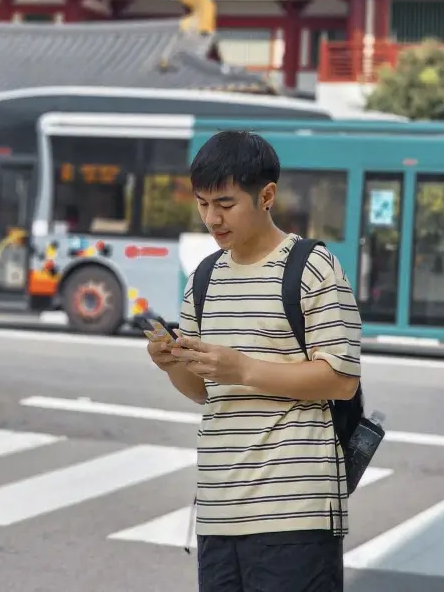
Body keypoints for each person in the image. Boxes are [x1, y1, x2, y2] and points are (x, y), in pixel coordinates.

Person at [147, 130, 362, 592]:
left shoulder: (312, 267)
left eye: (225, 204)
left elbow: (340, 378)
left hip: (295, 510)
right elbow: (203, 391)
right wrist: (172, 363)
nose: (212, 218)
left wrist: (242, 369)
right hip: (219, 508)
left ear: (266, 197)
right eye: (203, 204)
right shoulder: (204, 278)